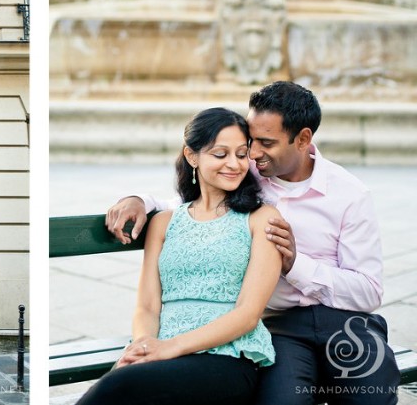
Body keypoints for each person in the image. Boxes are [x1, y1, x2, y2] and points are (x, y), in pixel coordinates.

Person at [105, 81, 400, 404]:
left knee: (371, 399)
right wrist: (139, 200)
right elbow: (194, 199)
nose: (253, 154)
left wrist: (295, 265)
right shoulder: (249, 173)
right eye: (250, 141)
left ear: (302, 139)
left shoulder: (350, 194)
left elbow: (369, 291)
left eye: (265, 142)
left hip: (345, 322)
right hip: (280, 328)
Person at [78, 107, 283, 405]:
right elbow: (147, 306)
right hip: (163, 349)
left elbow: (248, 314)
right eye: (220, 154)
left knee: (117, 388)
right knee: (122, 382)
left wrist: (170, 348)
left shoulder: (261, 218)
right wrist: (144, 346)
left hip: (227, 356)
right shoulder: (163, 222)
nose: (234, 164)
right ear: (192, 156)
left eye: (241, 154)